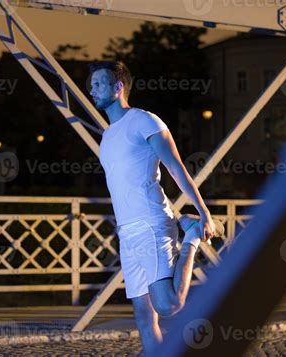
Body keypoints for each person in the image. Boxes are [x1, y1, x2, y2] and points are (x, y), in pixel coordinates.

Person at [89, 61, 221, 356]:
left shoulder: (144, 121)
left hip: (151, 223)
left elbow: (176, 168)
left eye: (98, 83)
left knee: (168, 304)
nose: (91, 90)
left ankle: (190, 238)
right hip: (128, 233)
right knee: (145, 320)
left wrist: (203, 213)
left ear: (118, 87)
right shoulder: (108, 136)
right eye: (92, 84)